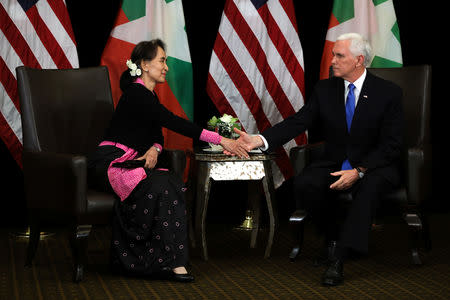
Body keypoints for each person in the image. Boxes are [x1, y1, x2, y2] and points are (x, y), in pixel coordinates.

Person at [234, 33, 403, 286]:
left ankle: (339, 258)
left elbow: (392, 144)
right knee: (305, 183)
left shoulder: (388, 92)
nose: (332, 60)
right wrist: (260, 140)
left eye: (339, 55)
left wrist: (359, 171)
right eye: (333, 54)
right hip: (335, 161)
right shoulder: (325, 89)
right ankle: (332, 238)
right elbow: (299, 121)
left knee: (369, 187)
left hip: (375, 164)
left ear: (359, 60)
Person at [87, 39, 247, 283]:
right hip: (111, 164)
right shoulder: (136, 94)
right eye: (162, 61)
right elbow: (173, 122)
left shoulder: (148, 96)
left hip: (132, 163)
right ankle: (160, 262)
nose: (166, 67)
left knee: (169, 181)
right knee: (163, 184)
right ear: (144, 64)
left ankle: (168, 261)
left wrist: (153, 149)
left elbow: (158, 135)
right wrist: (221, 140)